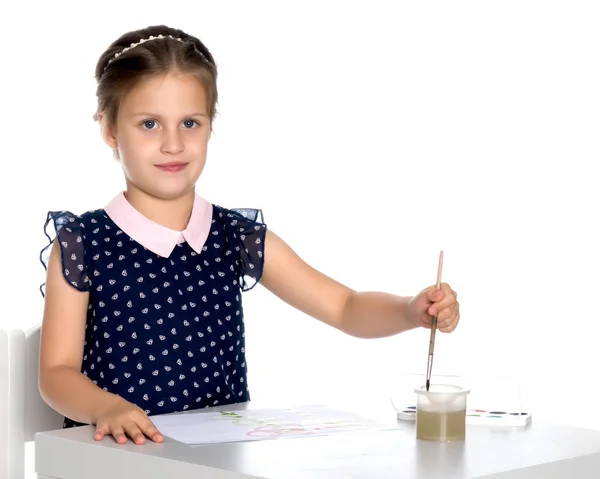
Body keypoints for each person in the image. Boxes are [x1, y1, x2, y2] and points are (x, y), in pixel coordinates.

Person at [38, 24, 460, 446]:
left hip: (216, 464)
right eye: (149, 124)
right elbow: (56, 373)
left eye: (190, 122)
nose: (173, 143)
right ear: (110, 129)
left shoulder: (233, 236)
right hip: (115, 462)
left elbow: (344, 307)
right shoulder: (83, 244)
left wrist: (409, 311)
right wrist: (105, 407)